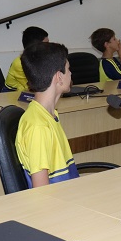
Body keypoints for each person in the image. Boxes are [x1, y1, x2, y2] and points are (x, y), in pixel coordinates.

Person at [15, 42, 78, 187]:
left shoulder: (49, 115)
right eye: (68, 69)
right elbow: (41, 191)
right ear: (59, 77)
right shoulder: (39, 127)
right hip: (59, 200)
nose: (70, 73)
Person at [3, 26, 49, 92]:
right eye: (46, 44)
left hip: (26, 92)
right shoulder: (20, 63)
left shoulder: (42, 59)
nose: (49, 47)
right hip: (10, 94)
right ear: (35, 47)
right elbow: (33, 87)